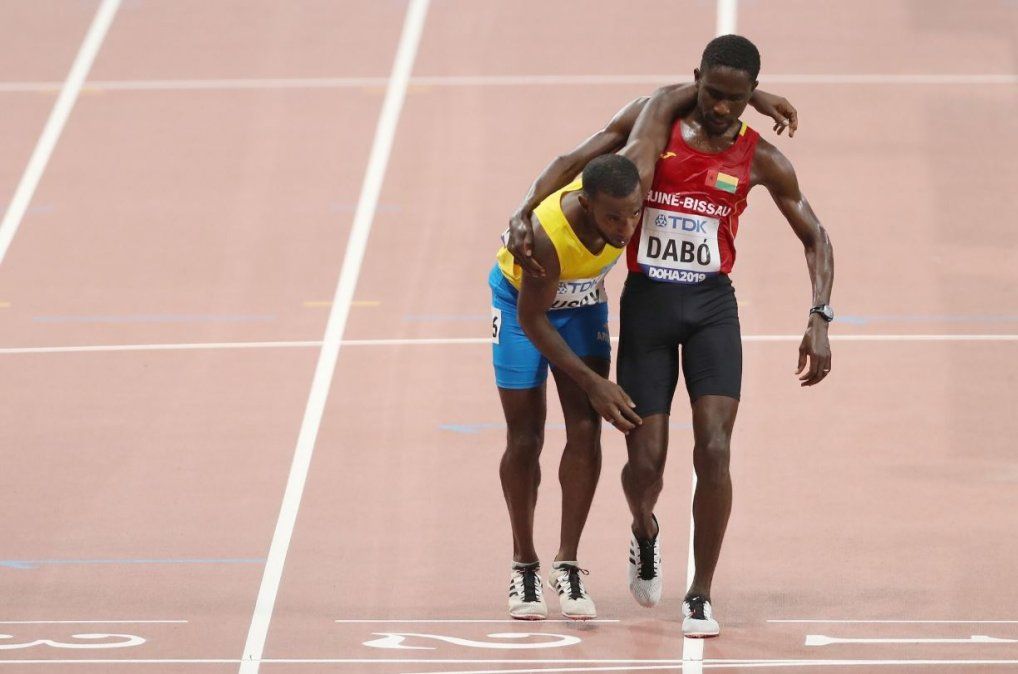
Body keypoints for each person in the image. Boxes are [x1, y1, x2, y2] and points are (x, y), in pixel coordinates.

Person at [506, 35, 835, 638]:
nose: (722, 109)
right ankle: (645, 529)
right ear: (696, 82)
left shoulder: (763, 160)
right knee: (646, 465)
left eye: (738, 99)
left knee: (714, 448)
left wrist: (820, 315)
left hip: (712, 307)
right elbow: (582, 152)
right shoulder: (656, 128)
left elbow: (816, 235)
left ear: (747, 98)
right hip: (649, 309)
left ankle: (701, 594)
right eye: (714, 94)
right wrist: (526, 207)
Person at [491, 153, 645, 620]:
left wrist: (756, 96)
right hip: (523, 307)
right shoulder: (545, 238)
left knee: (585, 430)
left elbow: (572, 154)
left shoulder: (627, 185)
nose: (625, 228)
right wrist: (595, 382)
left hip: (582, 306)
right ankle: (524, 563)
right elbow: (532, 318)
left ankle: (568, 562)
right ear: (585, 201)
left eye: (633, 214)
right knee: (525, 437)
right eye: (612, 217)